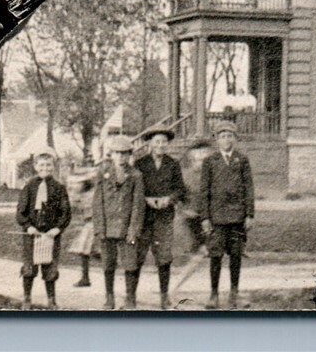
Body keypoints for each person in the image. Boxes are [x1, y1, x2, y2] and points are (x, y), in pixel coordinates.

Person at [197, 122, 254, 310]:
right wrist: (205, 217)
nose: (226, 140)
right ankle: (213, 294)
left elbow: (248, 189)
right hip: (217, 218)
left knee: (236, 255)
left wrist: (249, 214)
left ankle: (234, 292)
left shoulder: (242, 160)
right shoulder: (210, 161)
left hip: (237, 217)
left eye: (230, 136)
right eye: (222, 136)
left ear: (235, 139)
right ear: (217, 139)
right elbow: (204, 191)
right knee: (216, 255)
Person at [132, 125, 186, 310]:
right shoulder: (139, 164)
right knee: (137, 256)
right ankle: (131, 296)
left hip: (164, 218)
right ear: (150, 143)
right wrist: (145, 199)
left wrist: (169, 199)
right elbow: (134, 189)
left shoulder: (173, 164)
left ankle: (164, 297)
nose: (161, 145)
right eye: (157, 141)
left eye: (164, 142)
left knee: (164, 257)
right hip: (143, 218)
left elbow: (180, 189)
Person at [92, 139, 145, 310]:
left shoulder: (136, 175)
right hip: (107, 228)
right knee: (108, 263)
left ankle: (130, 297)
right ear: (111, 155)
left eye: (124, 154)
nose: (121, 157)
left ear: (130, 155)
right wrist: (99, 228)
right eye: (117, 153)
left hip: (126, 229)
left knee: (130, 263)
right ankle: (109, 297)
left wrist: (133, 229)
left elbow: (138, 205)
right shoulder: (103, 173)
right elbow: (97, 202)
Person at [15, 152, 71, 310]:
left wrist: (57, 228)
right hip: (32, 234)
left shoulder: (59, 188)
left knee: (50, 268)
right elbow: (20, 212)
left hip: (51, 234)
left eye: (48, 165)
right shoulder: (29, 187)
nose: (45, 168)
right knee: (29, 267)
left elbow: (66, 212)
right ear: (35, 167)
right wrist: (28, 226)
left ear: (53, 167)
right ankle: (27, 298)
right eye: (41, 165)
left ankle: (51, 300)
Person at [68, 163, 97, 288]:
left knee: (86, 249)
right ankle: (85, 277)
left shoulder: (92, 193)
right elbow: (75, 206)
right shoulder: (83, 194)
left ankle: (86, 277)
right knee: (84, 250)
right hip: (89, 222)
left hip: (94, 222)